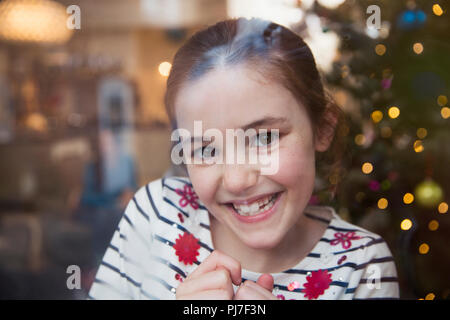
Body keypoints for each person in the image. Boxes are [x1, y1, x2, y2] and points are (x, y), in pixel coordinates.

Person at [88, 18, 399, 300]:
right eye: (206, 150)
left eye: (264, 138)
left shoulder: (361, 266)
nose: (237, 181)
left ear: (322, 129)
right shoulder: (157, 216)